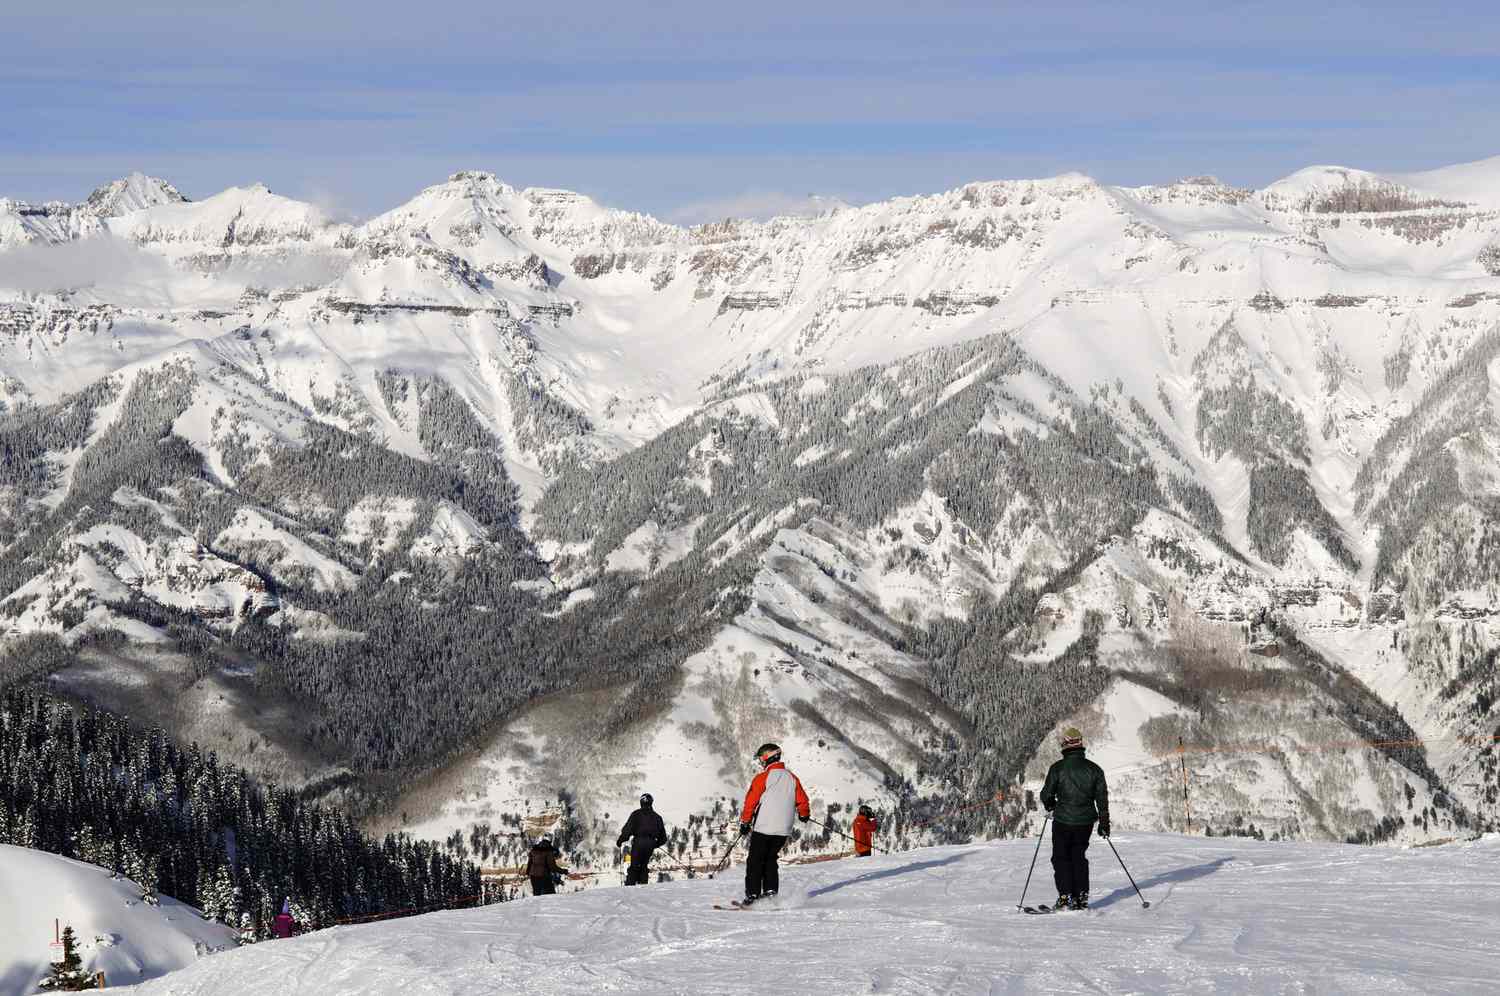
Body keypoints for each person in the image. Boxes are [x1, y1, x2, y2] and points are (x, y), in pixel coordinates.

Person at [1039, 726, 1109, 911]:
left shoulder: (1057, 768)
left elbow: (1046, 794)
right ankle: (1081, 896)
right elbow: (1101, 798)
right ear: (1080, 744)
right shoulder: (1094, 770)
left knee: (1061, 858)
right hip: (1085, 822)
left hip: (1062, 821)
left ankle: (1065, 896)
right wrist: (1104, 824)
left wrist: (1051, 805)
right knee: (1078, 856)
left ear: (1066, 744)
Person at [738, 742, 810, 904]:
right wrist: (804, 814)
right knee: (770, 858)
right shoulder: (792, 777)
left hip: (764, 826)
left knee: (755, 860)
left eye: (761, 759)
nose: (761, 762)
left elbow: (751, 801)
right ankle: (771, 892)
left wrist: (745, 822)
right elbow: (802, 800)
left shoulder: (763, 777)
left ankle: (753, 895)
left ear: (767, 757)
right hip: (783, 829)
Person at [617, 792, 669, 886]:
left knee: (634, 866)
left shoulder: (636, 815)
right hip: (650, 844)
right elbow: (663, 838)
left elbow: (627, 830)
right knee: (643, 865)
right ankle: (643, 886)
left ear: (641, 802)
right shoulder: (657, 818)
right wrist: (655, 844)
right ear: (651, 803)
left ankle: (630, 887)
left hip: (638, 842)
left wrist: (620, 841)